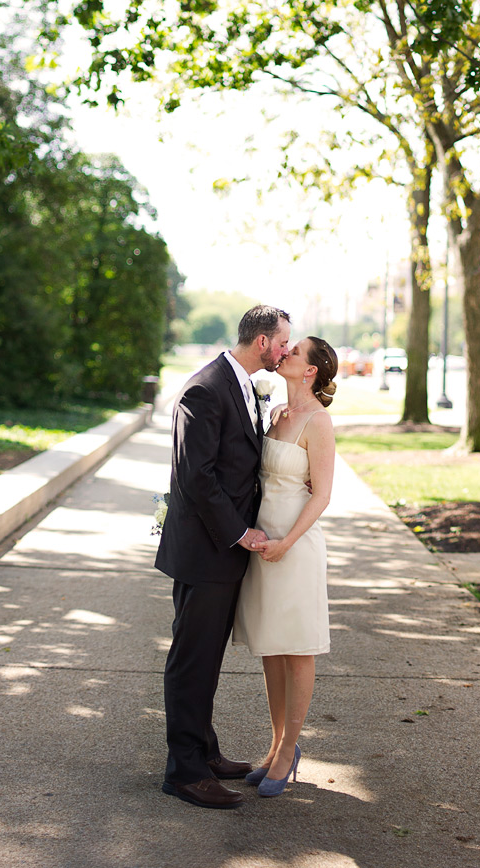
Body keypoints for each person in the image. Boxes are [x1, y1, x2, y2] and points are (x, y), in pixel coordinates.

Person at [155, 304, 292, 809]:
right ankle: (184, 772)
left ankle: (205, 752)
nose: (284, 351)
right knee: (191, 660)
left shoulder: (242, 384)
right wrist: (241, 534)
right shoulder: (204, 388)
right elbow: (196, 477)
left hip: (220, 552)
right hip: (205, 551)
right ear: (262, 342)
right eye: (282, 343)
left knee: (207, 656)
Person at [232, 336, 338, 797]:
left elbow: (322, 494)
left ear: (310, 370)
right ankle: (277, 748)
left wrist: (287, 543)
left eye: (294, 352)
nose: (284, 354)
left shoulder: (318, 422)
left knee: (298, 650)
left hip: (295, 547)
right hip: (263, 545)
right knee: (272, 649)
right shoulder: (274, 414)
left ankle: (290, 748)